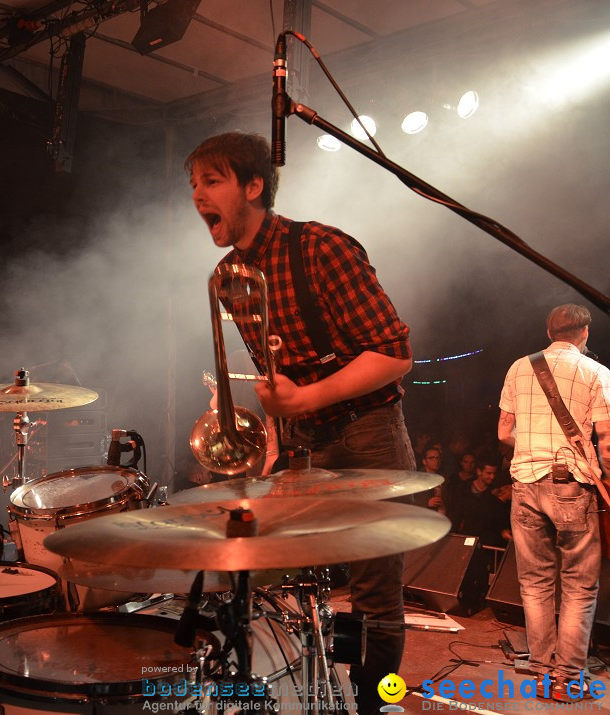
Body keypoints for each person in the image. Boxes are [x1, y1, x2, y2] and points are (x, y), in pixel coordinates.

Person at [186, 131, 417, 715]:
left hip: (367, 431)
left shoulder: (322, 248)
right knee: (275, 580)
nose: (196, 195)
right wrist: (271, 440)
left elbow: (393, 353)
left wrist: (306, 398)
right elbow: (276, 371)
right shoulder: (227, 277)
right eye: (192, 185)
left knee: (374, 598)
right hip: (301, 443)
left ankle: (374, 706)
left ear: (254, 185)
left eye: (211, 181)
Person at [498, 303, 610, 702]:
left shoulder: (517, 368)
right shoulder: (597, 373)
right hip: (571, 486)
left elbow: (503, 432)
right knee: (579, 584)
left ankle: (543, 672)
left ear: (550, 332)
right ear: (584, 333)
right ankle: (567, 680)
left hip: (525, 484)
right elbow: (607, 443)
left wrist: (533, 450)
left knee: (534, 582)